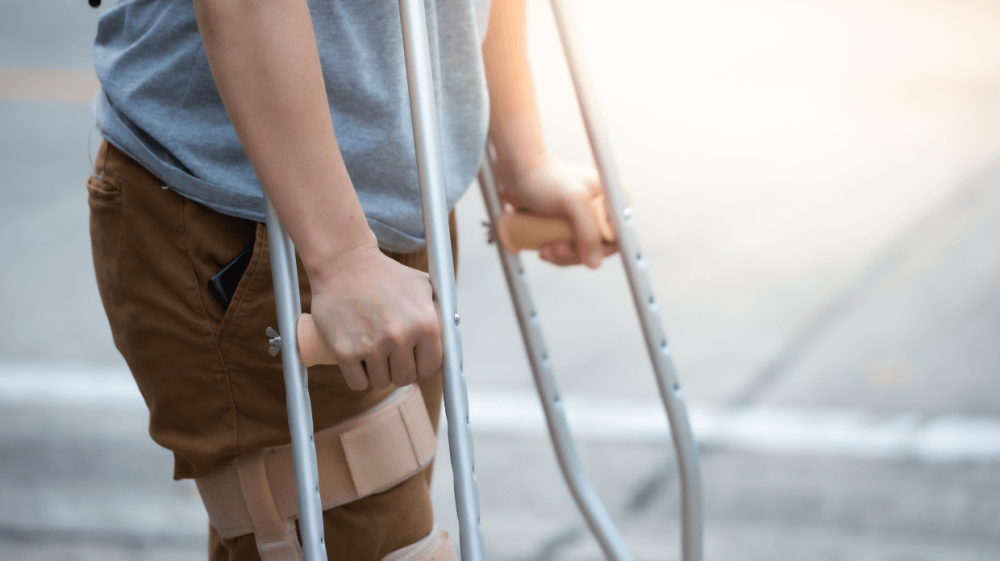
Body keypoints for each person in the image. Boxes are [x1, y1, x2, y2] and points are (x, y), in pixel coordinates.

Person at [87, 0, 613, 559]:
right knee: (351, 539)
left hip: (401, 203)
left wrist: (521, 151)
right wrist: (341, 258)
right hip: (258, 215)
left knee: (324, 535)